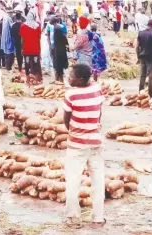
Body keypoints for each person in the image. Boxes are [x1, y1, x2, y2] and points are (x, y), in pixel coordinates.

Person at [63, 64, 105, 229]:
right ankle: (98, 218)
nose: (68, 77)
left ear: (80, 80)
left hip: (76, 145)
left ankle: (73, 218)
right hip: (95, 142)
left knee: (73, 180)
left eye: (71, 75)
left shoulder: (71, 94)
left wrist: (74, 133)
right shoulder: (97, 89)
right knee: (98, 180)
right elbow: (100, 113)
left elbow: (66, 119)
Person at [136, 20, 152, 97]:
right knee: (151, 76)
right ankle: (150, 93)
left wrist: (138, 56)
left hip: (142, 56)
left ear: (147, 24)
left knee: (142, 75)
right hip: (151, 57)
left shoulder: (141, 33)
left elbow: (137, 46)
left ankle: (141, 91)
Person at [20, 11, 42, 84]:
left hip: (26, 49)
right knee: (36, 64)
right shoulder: (37, 26)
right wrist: (40, 49)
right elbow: (39, 38)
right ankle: (35, 80)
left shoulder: (23, 26)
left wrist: (22, 48)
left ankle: (28, 80)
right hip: (35, 49)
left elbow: (22, 39)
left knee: (27, 64)